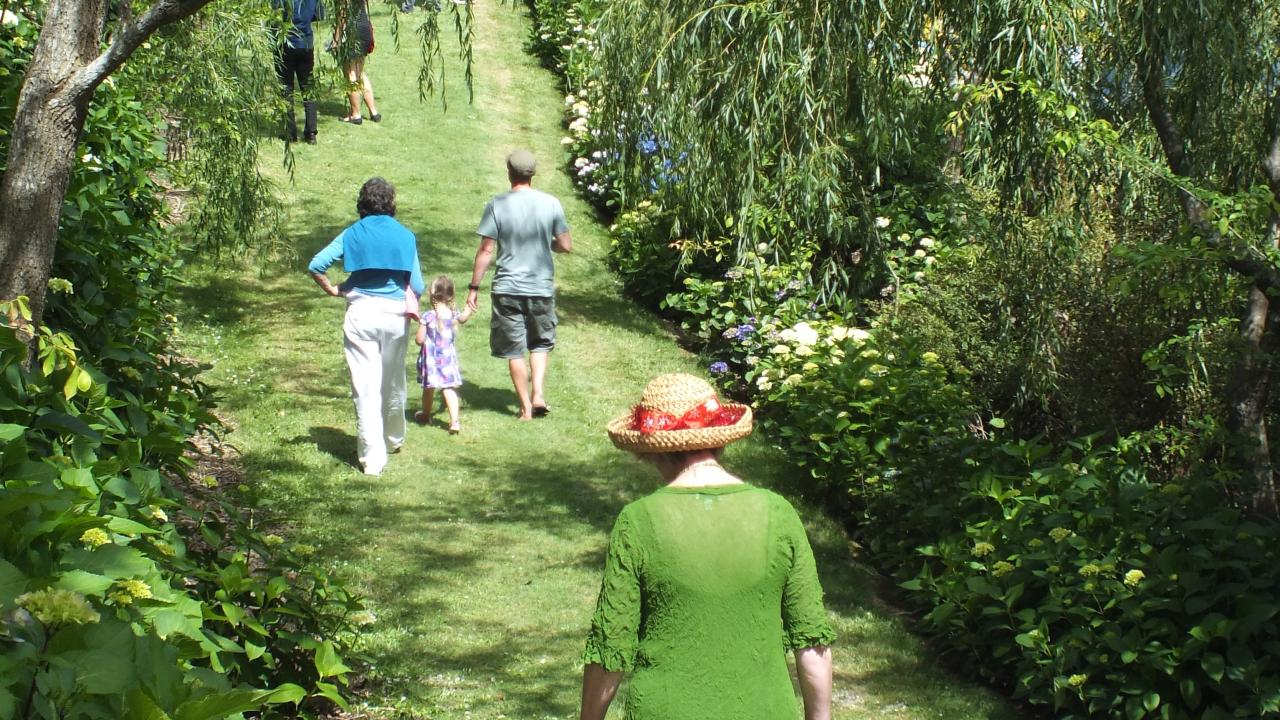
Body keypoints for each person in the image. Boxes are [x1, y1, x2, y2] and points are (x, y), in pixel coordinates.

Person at [581, 373, 836, 720]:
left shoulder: (638, 521)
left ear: (650, 450)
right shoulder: (779, 513)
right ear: (720, 441)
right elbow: (812, 644)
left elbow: (611, 647)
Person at [308, 177, 424, 476]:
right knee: (393, 378)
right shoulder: (406, 236)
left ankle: (372, 459)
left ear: (362, 203)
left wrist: (332, 289)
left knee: (365, 385)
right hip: (395, 316)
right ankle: (393, 437)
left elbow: (316, 265)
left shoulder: (352, 233)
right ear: (391, 203)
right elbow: (419, 285)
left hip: (361, 313)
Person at [465, 149, 572, 421]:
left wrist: (474, 288)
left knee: (514, 349)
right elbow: (565, 245)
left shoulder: (497, 204)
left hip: (507, 288)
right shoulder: (551, 203)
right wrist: (545, 243)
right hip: (540, 288)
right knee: (540, 342)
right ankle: (538, 394)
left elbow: (487, 250)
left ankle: (525, 407)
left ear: (509, 173)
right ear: (532, 174)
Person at [414, 275, 474, 434]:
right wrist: (469, 309)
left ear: (431, 293)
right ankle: (454, 421)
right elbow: (462, 319)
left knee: (429, 388)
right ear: (451, 295)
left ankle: (426, 415)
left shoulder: (428, 316)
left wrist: (420, 328)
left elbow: (419, 340)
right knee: (448, 388)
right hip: (448, 359)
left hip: (432, 361)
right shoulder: (453, 314)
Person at [273, 0, 324, 144]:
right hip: (305, 44)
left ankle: (290, 132)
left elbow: (274, 16)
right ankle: (311, 132)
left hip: (284, 45)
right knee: (308, 88)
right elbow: (319, 14)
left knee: (286, 88)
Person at [332, 0, 380, 124]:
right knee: (360, 73)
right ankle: (373, 112)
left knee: (351, 74)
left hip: (352, 31)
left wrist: (336, 41)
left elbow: (343, 17)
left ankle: (355, 114)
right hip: (365, 28)